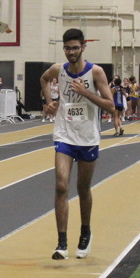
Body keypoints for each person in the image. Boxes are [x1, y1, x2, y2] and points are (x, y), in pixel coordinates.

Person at [40, 28, 115, 261]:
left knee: (83, 188)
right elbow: (44, 79)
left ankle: (85, 232)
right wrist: (50, 102)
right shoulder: (58, 70)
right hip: (64, 134)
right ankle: (62, 242)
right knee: (61, 185)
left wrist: (85, 92)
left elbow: (111, 106)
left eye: (74, 48)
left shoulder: (96, 72)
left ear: (83, 47)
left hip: (88, 137)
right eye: (67, 48)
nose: (71, 52)